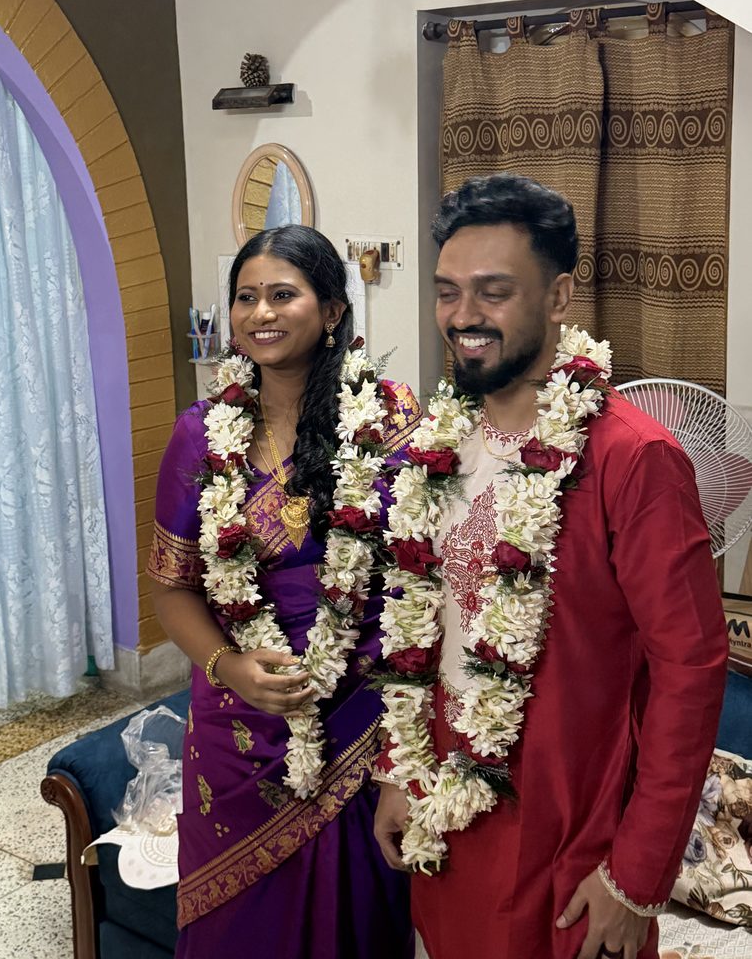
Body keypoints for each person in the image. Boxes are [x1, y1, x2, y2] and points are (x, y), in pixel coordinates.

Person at [374, 174, 728, 959]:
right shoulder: (434, 447)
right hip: (448, 818)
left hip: (569, 838)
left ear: (560, 296)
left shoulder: (634, 459)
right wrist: (401, 772)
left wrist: (636, 876)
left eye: (493, 292)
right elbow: (423, 636)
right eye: (447, 291)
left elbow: (693, 669)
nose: (463, 316)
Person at [148, 224, 419, 958]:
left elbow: (426, 580)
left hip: (365, 717)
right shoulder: (199, 434)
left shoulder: (391, 422)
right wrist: (228, 666)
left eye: (282, 294)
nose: (259, 313)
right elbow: (173, 590)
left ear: (331, 311)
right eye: (244, 297)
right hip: (240, 729)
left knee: (360, 918)